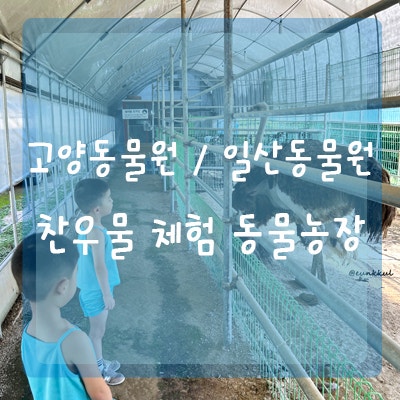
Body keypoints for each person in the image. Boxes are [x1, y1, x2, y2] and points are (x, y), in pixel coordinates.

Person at [11, 233, 114, 400]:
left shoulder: (27, 335)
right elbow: (100, 394)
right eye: (76, 273)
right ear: (63, 286)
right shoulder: (75, 340)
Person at [74, 178, 124, 386]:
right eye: (109, 199)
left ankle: (99, 360)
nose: (112, 201)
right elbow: (99, 266)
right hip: (96, 290)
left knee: (96, 332)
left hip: (91, 287)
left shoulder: (86, 223)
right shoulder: (96, 232)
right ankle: (99, 370)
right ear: (97, 208)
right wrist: (106, 294)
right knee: (97, 333)